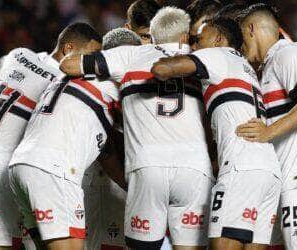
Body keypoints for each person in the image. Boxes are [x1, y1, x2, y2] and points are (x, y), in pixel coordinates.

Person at [60, 7, 214, 250]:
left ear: (152, 36)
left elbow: (69, 65)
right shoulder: (203, 58)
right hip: (194, 170)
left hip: (148, 167)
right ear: (184, 37)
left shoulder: (132, 55)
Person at [151, 16, 282, 250]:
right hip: (268, 170)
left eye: (199, 39)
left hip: (241, 167)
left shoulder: (216, 55)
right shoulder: (245, 67)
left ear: (219, 39)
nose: (194, 45)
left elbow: (162, 69)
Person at [0, 22, 101, 250]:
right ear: (69, 49)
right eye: (91, 55)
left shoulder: (18, 54)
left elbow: (1, 65)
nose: (92, 64)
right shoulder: (63, 82)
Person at [234, 3, 297, 249]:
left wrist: (267, 132)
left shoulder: (287, 54)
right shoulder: (270, 65)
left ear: (251, 29)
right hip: (286, 179)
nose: (240, 46)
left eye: (240, 37)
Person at [84, 27, 140, 250]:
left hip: (117, 181)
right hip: (103, 182)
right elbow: (104, 145)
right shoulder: (104, 87)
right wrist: (128, 184)